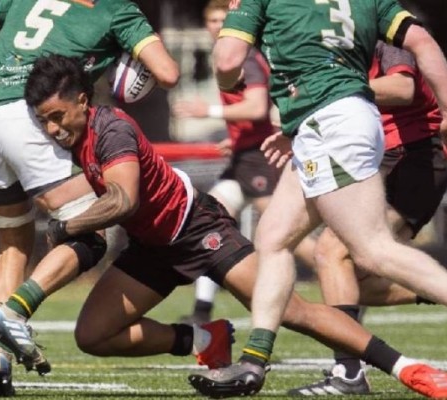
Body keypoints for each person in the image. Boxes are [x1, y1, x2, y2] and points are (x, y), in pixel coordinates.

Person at [0, 53, 445, 400]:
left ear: (82, 102)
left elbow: (124, 199)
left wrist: (67, 227)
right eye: (42, 121)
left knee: (292, 312)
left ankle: (407, 368)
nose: (51, 129)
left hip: (196, 229)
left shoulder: (112, 131)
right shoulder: (79, 135)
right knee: (94, 336)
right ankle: (207, 338)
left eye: (57, 117)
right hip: (154, 245)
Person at [0, 0, 179, 396]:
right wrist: (129, 55)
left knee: (12, 246)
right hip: (34, 119)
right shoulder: (117, 10)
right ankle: (15, 311)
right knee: (90, 234)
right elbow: (168, 72)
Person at [189, 0, 447, 398]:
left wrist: (228, 89)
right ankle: (254, 362)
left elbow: (226, 61)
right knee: (274, 238)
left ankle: (345, 373)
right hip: (326, 123)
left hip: (337, 124)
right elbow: (425, 43)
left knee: (371, 251)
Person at [287, 41, 447, 397]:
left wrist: (328, 87)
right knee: (355, 282)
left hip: (412, 157)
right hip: (373, 156)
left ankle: (348, 373)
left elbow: (402, 87)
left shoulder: (384, 25)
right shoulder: (328, 33)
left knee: (332, 253)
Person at [173, 0, 315, 325]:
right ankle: (202, 311)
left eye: (224, 18)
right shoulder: (231, 56)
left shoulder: (245, 56)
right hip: (243, 157)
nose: (217, 25)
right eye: (212, 19)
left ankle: (339, 273)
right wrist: (234, 139)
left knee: (286, 235)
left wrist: (205, 112)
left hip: (259, 159)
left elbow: (256, 108)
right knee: (208, 221)